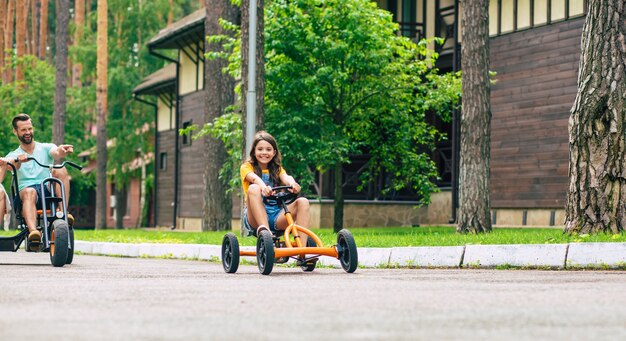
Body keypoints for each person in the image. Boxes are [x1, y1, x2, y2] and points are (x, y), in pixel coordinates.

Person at [0, 113, 74, 246]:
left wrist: (62, 151)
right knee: (30, 192)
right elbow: (12, 164)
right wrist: (18, 161)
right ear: (15, 131)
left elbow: (56, 152)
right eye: (23, 130)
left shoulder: (45, 147)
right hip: (25, 196)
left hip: (46, 191)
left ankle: (63, 212)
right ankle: (34, 233)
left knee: (60, 169)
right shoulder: (14, 154)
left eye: (29, 128)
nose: (28, 132)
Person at [240, 131, 310, 247]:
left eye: (268, 149)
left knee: (303, 201)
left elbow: (287, 178)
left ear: (274, 152)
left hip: (276, 216)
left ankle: (302, 249)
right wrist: (263, 187)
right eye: (260, 149)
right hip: (254, 218)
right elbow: (254, 179)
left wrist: (293, 184)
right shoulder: (246, 167)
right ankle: (266, 234)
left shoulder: (277, 169)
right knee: (254, 188)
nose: (264, 153)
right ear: (254, 151)